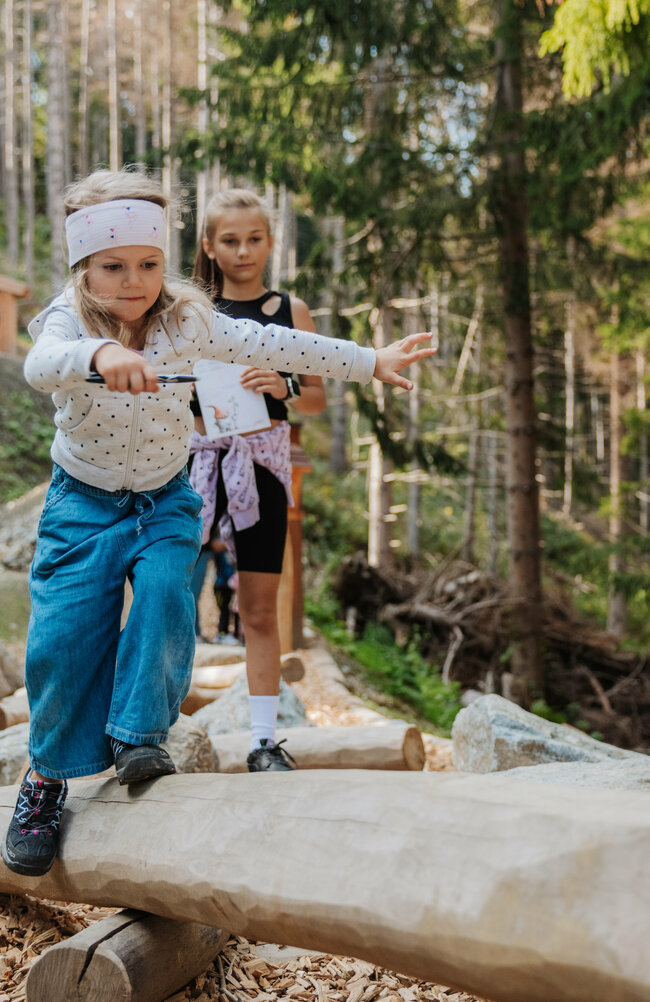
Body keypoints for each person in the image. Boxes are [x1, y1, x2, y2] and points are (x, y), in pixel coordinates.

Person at [0, 167, 433, 879]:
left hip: (167, 499)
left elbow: (275, 347)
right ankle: (46, 779)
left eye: (148, 264)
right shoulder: (66, 320)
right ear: (84, 265)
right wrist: (101, 353)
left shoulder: (187, 319)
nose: (133, 281)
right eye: (113, 267)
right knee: (60, 641)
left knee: (171, 592)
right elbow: (42, 365)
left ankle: (140, 734)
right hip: (82, 506)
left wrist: (368, 361)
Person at [189, 188, 327, 772]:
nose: (243, 251)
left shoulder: (289, 311)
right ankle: (145, 732)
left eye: (254, 239)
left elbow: (317, 398)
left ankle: (264, 741)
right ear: (209, 246)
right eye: (230, 240)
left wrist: (285, 386)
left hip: (263, 466)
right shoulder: (188, 309)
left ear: (270, 242)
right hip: (192, 465)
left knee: (259, 608)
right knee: (166, 597)